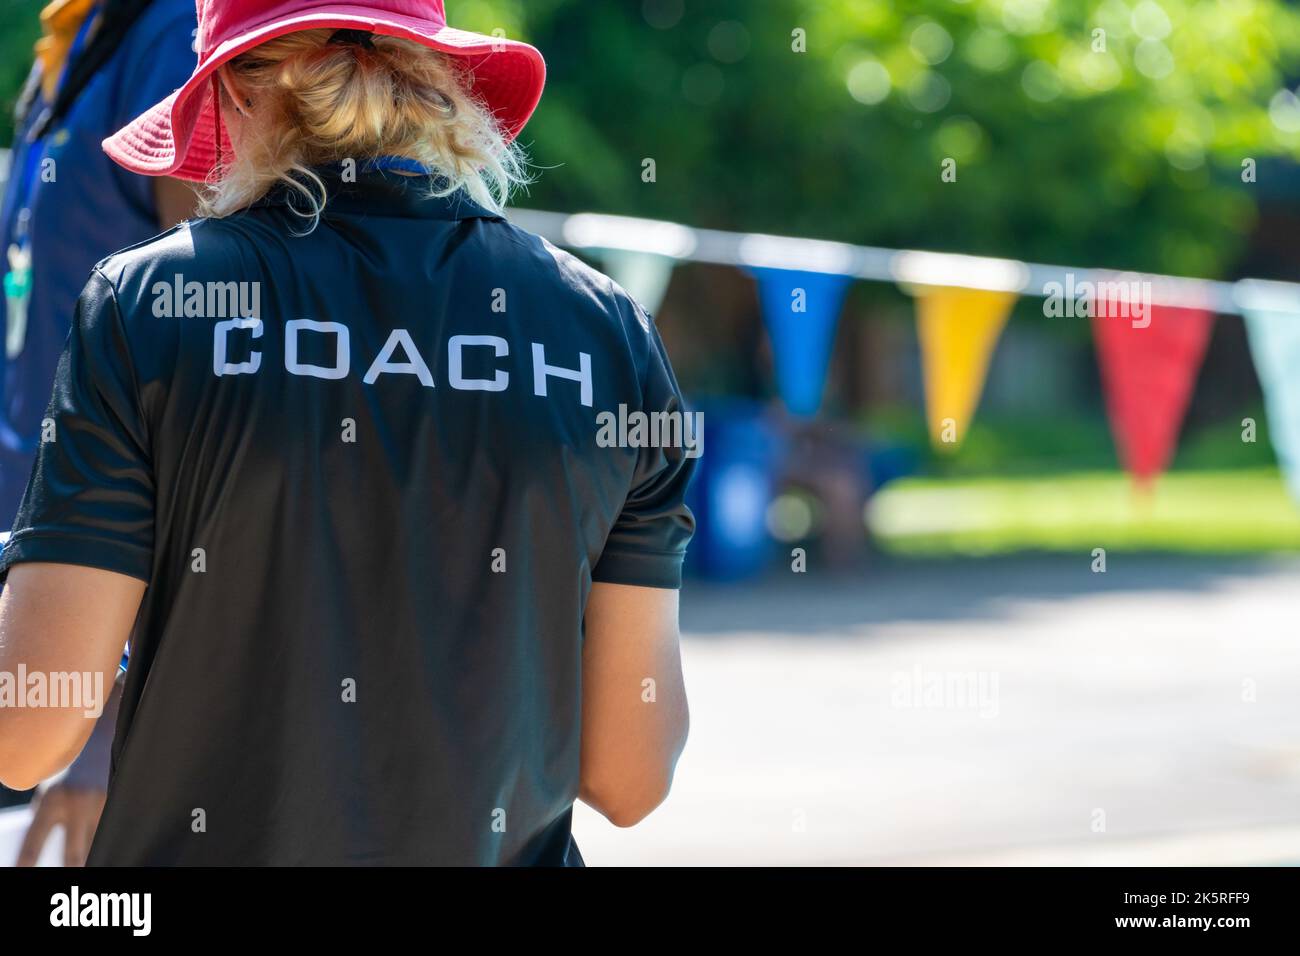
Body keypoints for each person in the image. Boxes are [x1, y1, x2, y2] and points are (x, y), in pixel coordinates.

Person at [0, 0, 694, 866]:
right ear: (440, 79)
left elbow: (26, 734)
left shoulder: (147, 306)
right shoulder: (607, 331)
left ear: (232, 94)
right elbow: (631, 779)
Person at [0, 0, 199, 863]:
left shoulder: (174, 31)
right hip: (32, 576)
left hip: (94, 640)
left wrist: (105, 732)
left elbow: (207, 372)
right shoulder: (74, 33)